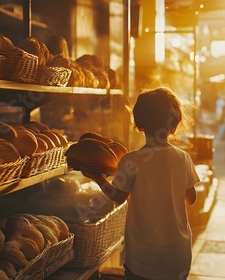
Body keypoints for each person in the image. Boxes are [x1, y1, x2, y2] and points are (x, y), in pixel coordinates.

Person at [81, 87, 200, 280]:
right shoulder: (183, 158)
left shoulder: (131, 161)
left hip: (143, 259)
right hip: (177, 256)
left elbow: (118, 197)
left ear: (139, 124)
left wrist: (97, 177)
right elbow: (191, 199)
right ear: (174, 124)